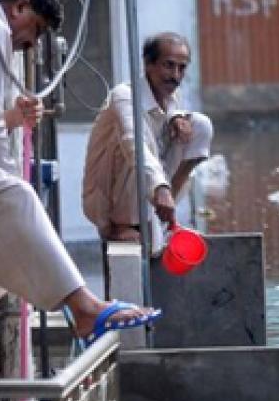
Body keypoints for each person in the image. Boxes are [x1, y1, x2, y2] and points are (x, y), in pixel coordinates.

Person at [0, 0, 158, 345]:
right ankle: (85, 308)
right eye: (35, 30)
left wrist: (12, 119)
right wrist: (12, 183)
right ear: (21, 7)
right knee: (18, 198)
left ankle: (82, 305)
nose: (29, 44)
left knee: (12, 227)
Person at [82, 32, 213, 250]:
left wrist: (175, 117)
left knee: (200, 125)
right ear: (148, 64)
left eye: (181, 68)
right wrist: (160, 188)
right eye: (168, 65)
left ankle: (164, 215)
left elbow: (171, 110)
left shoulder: (172, 98)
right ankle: (122, 223)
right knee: (139, 144)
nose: (175, 75)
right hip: (107, 202)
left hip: (150, 196)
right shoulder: (124, 95)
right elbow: (134, 144)